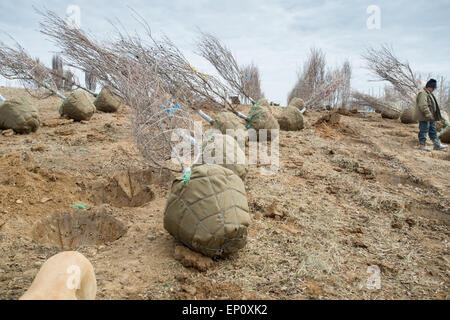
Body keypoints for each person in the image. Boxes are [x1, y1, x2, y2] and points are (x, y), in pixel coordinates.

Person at [415, 79, 448, 151]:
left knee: (433, 130)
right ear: (430, 87)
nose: (433, 90)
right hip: (424, 117)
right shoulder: (423, 93)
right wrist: (429, 115)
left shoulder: (428, 93)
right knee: (423, 130)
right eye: (433, 88)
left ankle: (437, 145)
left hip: (430, 117)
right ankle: (422, 146)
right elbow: (423, 106)